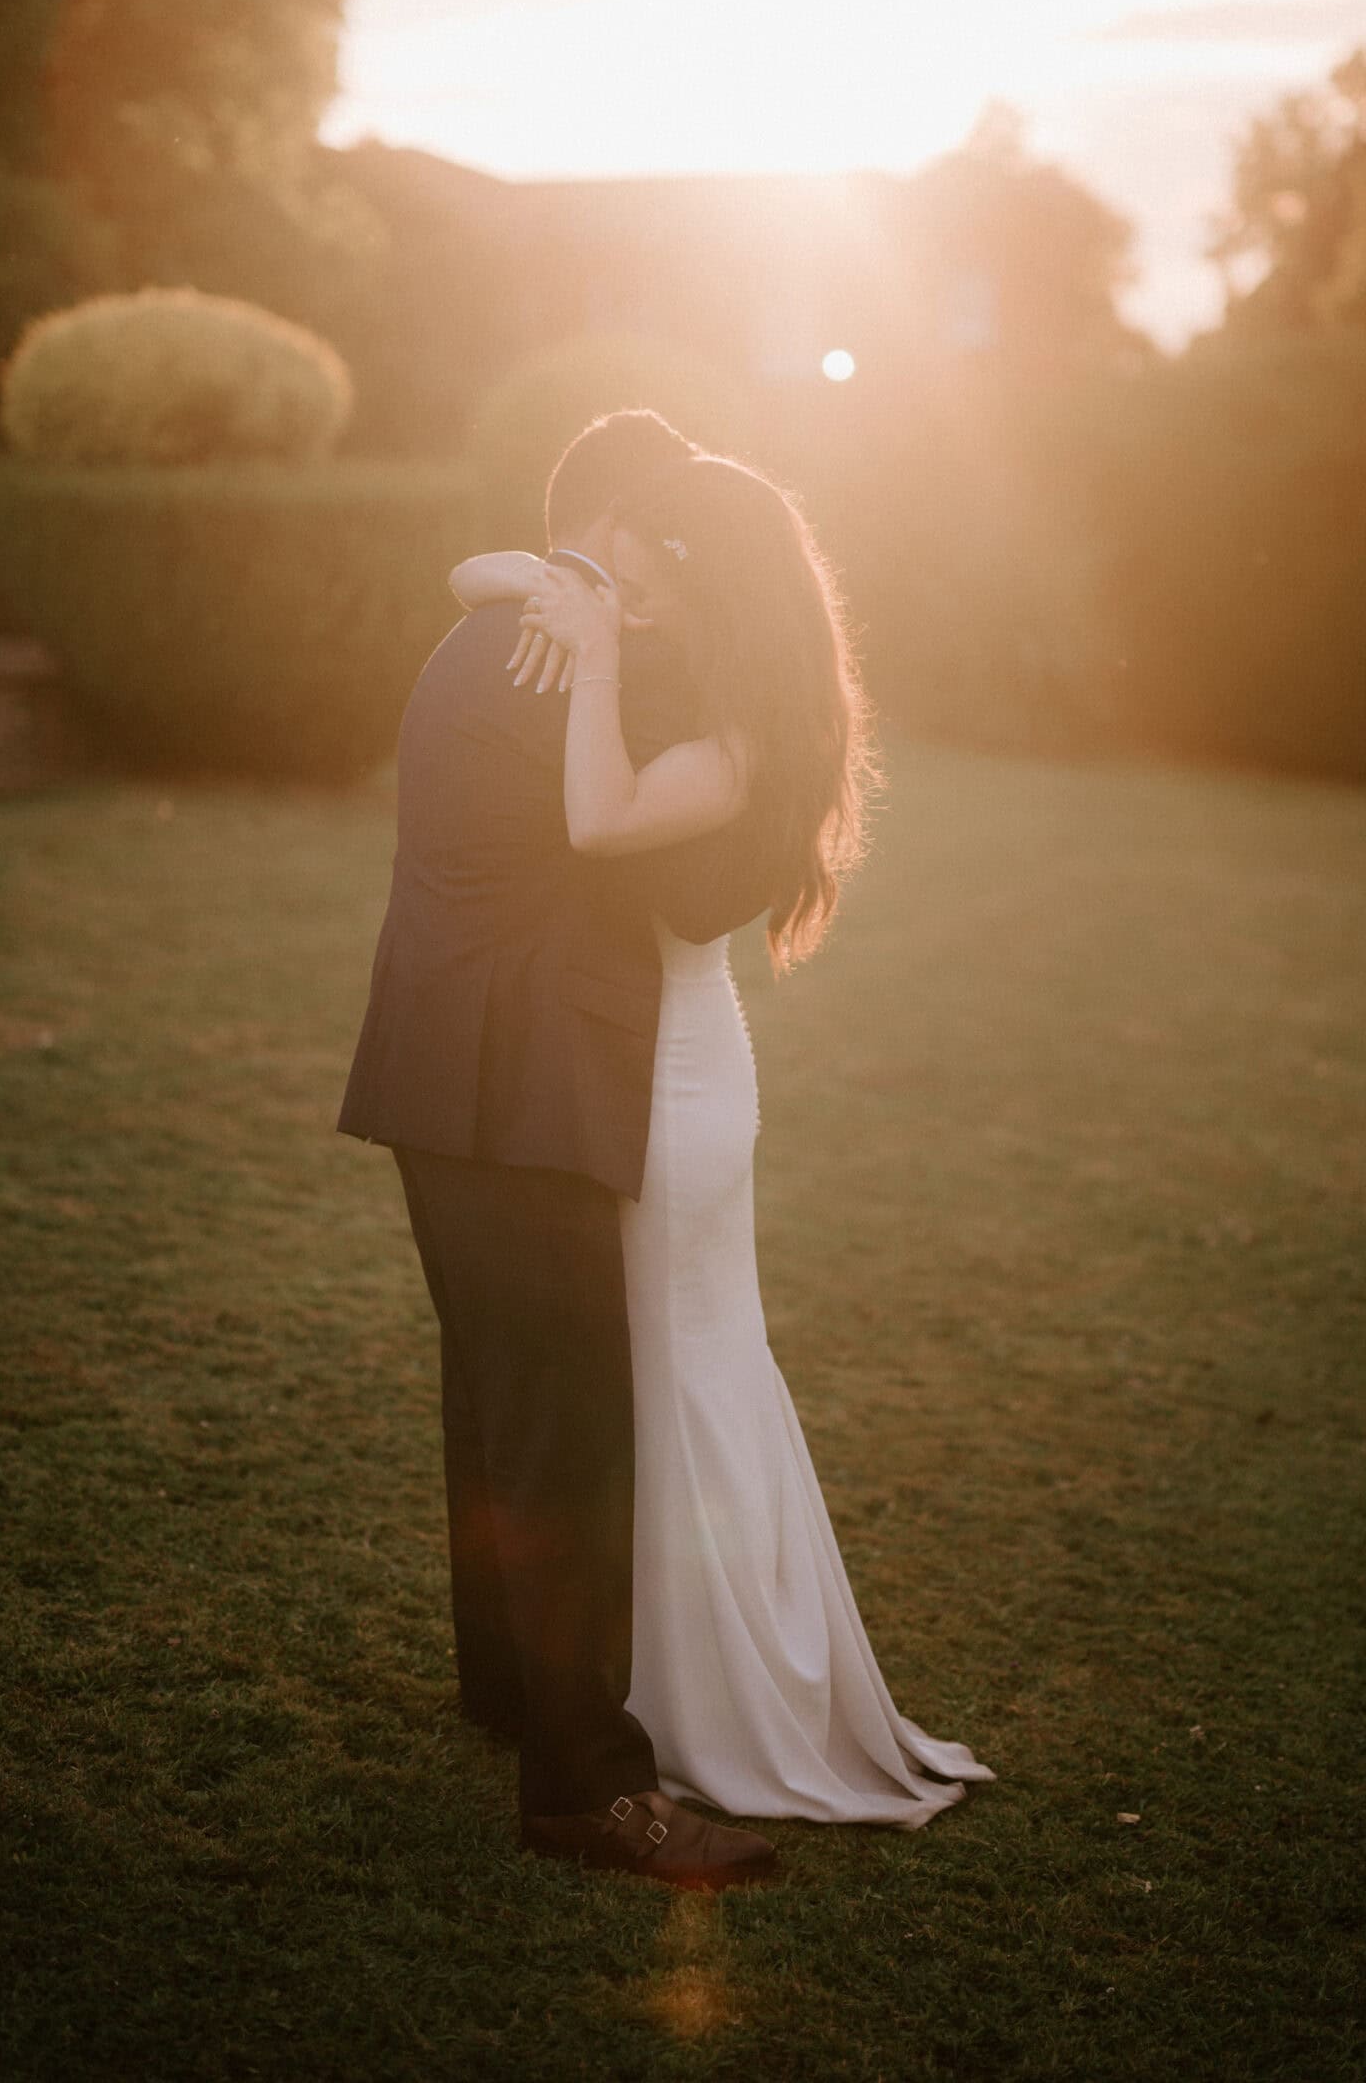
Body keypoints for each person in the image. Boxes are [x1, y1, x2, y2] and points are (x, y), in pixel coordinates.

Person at [453, 451, 991, 1826]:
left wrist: (586, 660)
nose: (637, 587)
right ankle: (635, 1674)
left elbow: (596, 819)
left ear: (725, 591)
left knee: (681, 1374)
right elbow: (478, 575)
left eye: (662, 570)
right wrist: (561, 588)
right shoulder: (715, 690)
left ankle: (723, 1695)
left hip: (671, 1089)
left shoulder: (742, 742)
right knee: (649, 1374)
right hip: (651, 1067)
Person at [337, 410, 779, 1890]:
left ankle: (507, 1692)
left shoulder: (499, 626)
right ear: (618, 535)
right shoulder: (570, 650)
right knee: (568, 1416)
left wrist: (515, 573)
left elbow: (483, 578)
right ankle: (589, 1791)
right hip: (517, 1081)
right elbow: (715, 758)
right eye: (657, 552)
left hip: (441, 1066)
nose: (663, 588)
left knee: (497, 1395)